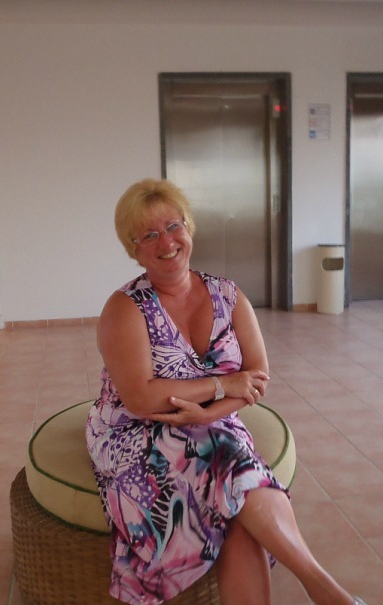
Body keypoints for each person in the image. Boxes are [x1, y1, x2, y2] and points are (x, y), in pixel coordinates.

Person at [86, 178, 366, 605]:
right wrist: (222, 385)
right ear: (134, 249)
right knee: (229, 467)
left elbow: (259, 375)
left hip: (213, 423)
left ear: (189, 228)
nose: (167, 242)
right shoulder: (125, 308)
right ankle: (328, 592)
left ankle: (325, 591)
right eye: (149, 235)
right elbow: (141, 397)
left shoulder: (228, 295)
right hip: (136, 429)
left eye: (173, 226)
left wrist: (212, 411)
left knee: (230, 482)